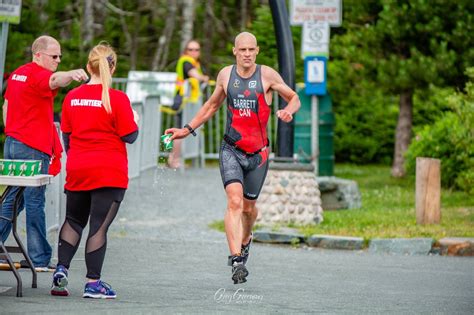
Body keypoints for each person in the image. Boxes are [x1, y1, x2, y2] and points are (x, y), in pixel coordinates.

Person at [166, 32, 300, 284]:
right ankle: (237, 259)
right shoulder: (226, 75)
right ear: (235, 51)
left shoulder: (267, 75)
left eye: (251, 49)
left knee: (249, 209)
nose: (247, 54)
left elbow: (294, 97)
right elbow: (211, 106)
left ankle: (246, 239)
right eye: (242, 50)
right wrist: (186, 130)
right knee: (234, 202)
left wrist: (288, 111)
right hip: (231, 150)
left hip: (258, 154)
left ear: (257, 51)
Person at [49, 43, 138, 299]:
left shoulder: (72, 96)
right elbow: (130, 135)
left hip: (79, 166)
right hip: (109, 170)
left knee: (73, 220)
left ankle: (61, 269)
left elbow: (66, 134)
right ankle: (92, 282)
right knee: (98, 228)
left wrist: (77, 155)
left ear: (89, 66)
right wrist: (135, 120)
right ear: (113, 67)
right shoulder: (117, 98)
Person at [0, 35, 89, 272]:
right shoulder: (39, 74)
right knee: (34, 200)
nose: (58, 60)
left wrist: (12, 134)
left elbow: (5, 107)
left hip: (13, 142)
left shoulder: (18, 74)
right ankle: (39, 258)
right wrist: (71, 74)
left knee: (11, 200)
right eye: (54, 56)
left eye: (60, 56)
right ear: (38, 54)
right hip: (31, 147)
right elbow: (53, 80)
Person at [167, 39, 209, 169]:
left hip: (187, 101)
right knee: (178, 130)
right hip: (182, 100)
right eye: (191, 49)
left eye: (196, 49)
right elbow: (195, 76)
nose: (193, 52)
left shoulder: (193, 63)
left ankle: (174, 158)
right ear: (186, 51)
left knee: (181, 129)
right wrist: (204, 78)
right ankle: (173, 160)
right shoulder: (186, 61)